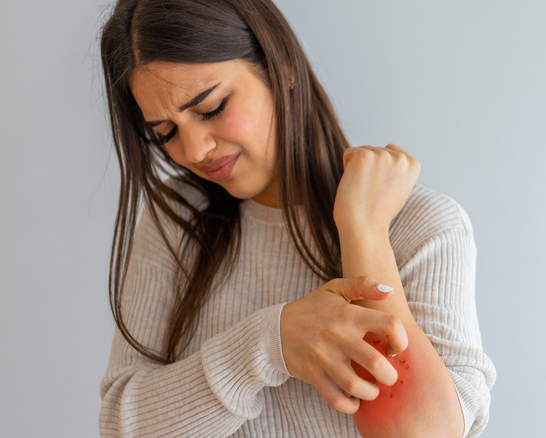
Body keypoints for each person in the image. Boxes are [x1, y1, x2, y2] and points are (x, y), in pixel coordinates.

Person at [97, 0, 496, 436]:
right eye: (166, 132)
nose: (193, 152)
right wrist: (271, 344)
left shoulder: (421, 226)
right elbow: (122, 426)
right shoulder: (178, 220)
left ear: (282, 66)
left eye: (211, 108)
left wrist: (362, 229)